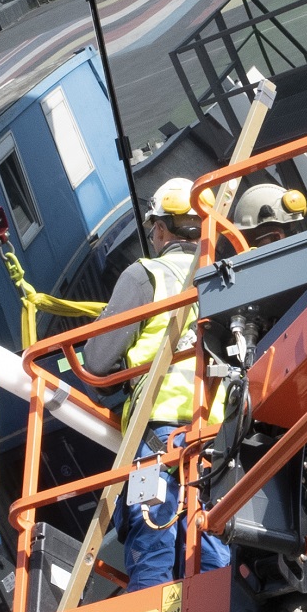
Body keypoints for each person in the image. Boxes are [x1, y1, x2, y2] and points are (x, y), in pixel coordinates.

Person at [107, 177, 227, 590]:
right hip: (216, 439)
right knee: (209, 545)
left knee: (152, 542)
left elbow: (99, 359)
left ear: (159, 229)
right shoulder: (228, 278)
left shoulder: (147, 276)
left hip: (158, 438)